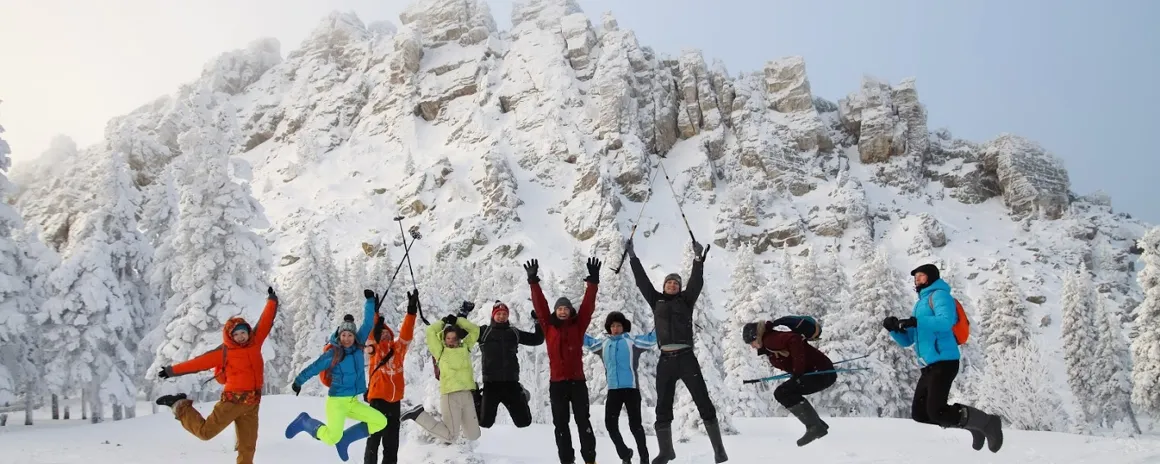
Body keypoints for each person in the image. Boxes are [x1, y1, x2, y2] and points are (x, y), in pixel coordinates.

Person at [625, 239, 728, 464]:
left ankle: (719, 450)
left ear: (679, 288)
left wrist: (698, 259)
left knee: (703, 400)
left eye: (675, 283)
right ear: (664, 286)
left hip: (686, 358)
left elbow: (696, 282)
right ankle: (666, 451)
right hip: (665, 360)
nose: (672, 285)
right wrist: (633, 258)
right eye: (669, 283)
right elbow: (642, 282)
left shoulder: (686, 300)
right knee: (663, 405)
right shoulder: (656, 301)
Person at [883, 263, 1003, 453]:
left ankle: (988, 422)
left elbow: (945, 321)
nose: (917, 280)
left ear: (931, 277)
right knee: (920, 414)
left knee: (936, 411)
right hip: (929, 366)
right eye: (915, 278)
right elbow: (908, 341)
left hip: (945, 361)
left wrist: (917, 321)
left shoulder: (940, 295)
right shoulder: (919, 304)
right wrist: (894, 329)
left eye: (921, 276)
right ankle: (975, 425)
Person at [153, 287, 280, 464]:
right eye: (236, 334)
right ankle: (180, 405)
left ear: (248, 332)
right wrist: (171, 371)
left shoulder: (255, 342)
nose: (241, 336)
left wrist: (272, 300)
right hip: (232, 402)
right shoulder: (224, 352)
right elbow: (197, 363)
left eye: (243, 332)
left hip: (252, 404)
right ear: (230, 336)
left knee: (248, 447)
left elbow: (265, 321)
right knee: (205, 433)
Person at [285, 290, 386, 462]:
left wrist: (370, 301)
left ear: (355, 336)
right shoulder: (334, 353)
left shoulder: (358, 346)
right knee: (332, 437)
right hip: (337, 402)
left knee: (380, 422)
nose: (347, 338)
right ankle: (305, 422)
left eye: (350, 335)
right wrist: (298, 381)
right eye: (343, 335)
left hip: (353, 401)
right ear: (339, 336)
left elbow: (368, 323)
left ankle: (345, 439)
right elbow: (314, 367)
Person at [524, 257, 600, 464]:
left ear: (571, 311)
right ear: (555, 312)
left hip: (578, 383)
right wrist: (533, 282)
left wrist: (593, 282)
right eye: (560, 308)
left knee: (583, 421)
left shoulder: (579, 325)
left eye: (566, 308)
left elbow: (588, 306)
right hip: (557, 384)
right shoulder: (549, 327)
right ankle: (567, 460)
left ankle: (590, 460)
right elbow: (540, 306)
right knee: (561, 425)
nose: (563, 310)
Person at [398, 303, 483, 443]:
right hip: (450, 395)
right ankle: (418, 415)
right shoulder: (440, 351)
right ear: (444, 339)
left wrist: (458, 321)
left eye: (454, 338)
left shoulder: (465, 347)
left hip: (467, 394)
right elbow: (431, 331)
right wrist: (443, 321)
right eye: (448, 338)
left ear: (459, 338)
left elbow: (475, 331)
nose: (451, 341)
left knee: (474, 435)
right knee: (451, 436)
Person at [742, 320, 835, 446]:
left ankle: (815, 426)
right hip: (821, 372)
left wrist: (798, 370)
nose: (752, 347)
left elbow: (794, 340)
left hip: (821, 373)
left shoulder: (770, 340)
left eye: (751, 342)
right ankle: (816, 425)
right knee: (784, 392)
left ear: (756, 337)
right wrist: (797, 370)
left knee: (783, 392)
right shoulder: (770, 343)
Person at [584, 311, 657, 464]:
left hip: (631, 389)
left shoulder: (632, 342)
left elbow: (651, 339)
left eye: (618, 325)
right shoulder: (603, 344)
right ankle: (625, 454)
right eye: (612, 326)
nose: (615, 328)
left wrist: (663, 319)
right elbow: (586, 340)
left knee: (635, 426)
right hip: (613, 391)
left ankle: (644, 458)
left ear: (624, 327)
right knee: (610, 425)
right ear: (609, 328)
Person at [363, 290, 419, 464]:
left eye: (388, 333)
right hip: (377, 401)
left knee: (391, 443)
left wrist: (411, 312)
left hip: (394, 402)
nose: (386, 335)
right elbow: (371, 333)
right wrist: (373, 310)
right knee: (374, 439)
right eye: (383, 333)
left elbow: (406, 334)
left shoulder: (398, 350)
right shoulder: (374, 350)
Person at [477, 299, 544, 429]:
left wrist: (538, 321)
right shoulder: (483, 332)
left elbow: (538, 339)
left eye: (504, 314)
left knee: (524, 422)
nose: (501, 317)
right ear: (493, 315)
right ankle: (476, 398)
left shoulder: (514, 332)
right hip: (491, 384)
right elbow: (462, 333)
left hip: (511, 383)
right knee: (485, 423)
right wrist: (462, 314)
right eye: (498, 314)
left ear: (508, 316)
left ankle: (523, 394)